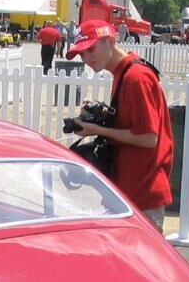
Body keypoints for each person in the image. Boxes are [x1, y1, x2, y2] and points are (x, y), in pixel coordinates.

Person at [66, 23, 174, 230]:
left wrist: (97, 130)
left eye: (91, 49)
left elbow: (148, 138)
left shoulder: (136, 77)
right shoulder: (124, 73)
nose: (87, 58)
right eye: (82, 54)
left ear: (110, 42)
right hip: (130, 189)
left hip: (142, 191)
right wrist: (102, 115)